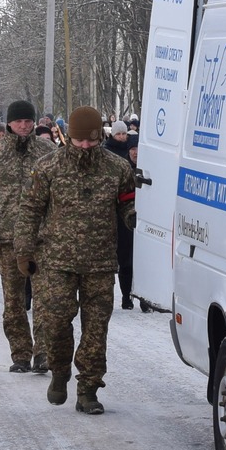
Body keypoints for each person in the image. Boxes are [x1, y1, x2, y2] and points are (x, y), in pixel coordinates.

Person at [15, 107, 137, 414]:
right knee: (55, 324)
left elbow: (127, 201)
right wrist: (24, 251)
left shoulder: (117, 168)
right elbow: (29, 210)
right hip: (56, 262)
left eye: (92, 141)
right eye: (80, 141)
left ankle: (88, 390)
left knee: (96, 331)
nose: (85, 146)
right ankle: (59, 370)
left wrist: (133, 217)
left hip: (100, 262)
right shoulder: (48, 166)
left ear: (100, 137)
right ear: (69, 137)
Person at [0, 100, 58, 372]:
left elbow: (62, 195)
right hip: (7, 240)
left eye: (28, 121)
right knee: (14, 302)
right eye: (18, 121)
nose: (23, 125)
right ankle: (20, 353)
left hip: (42, 239)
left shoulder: (48, 152)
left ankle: (43, 353)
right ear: (9, 123)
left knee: (46, 299)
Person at [104, 117, 138, 308]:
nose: (122, 136)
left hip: (132, 213)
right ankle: (121, 295)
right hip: (116, 214)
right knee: (120, 257)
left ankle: (133, 296)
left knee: (133, 259)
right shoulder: (108, 153)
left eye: (124, 133)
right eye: (119, 133)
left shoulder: (138, 163)